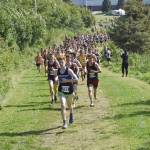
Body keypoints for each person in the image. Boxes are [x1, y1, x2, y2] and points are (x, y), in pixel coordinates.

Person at [57, 57, 78, 129]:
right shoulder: (58, 70)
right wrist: (56, 79)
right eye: (60, 62)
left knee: (69, 106)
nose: (61, 64)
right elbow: (56, 77)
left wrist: (67, 81)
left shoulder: (69, 71)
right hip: (61, 91)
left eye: (62, 62)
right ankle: (64, 122)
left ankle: (71, 114)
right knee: (63, 105)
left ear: (65, 62)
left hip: (69, 91)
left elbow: (76, 79)